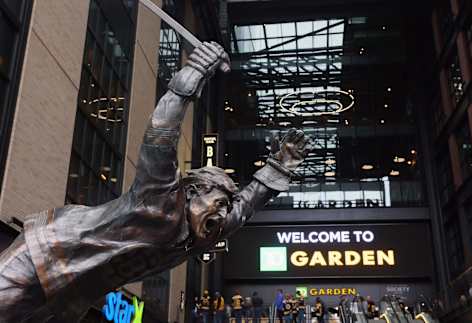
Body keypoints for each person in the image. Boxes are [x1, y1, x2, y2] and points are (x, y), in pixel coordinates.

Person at [0, 42, 310, 321]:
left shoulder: (203, 233)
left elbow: (246, 205)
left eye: (225, 207)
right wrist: (197, 69)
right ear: (190, 192)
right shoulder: (161, 197)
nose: (223, 213)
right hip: (47, 249)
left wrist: (279, 169)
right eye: (218, 202)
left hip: (70, 290)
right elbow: (161, 133)